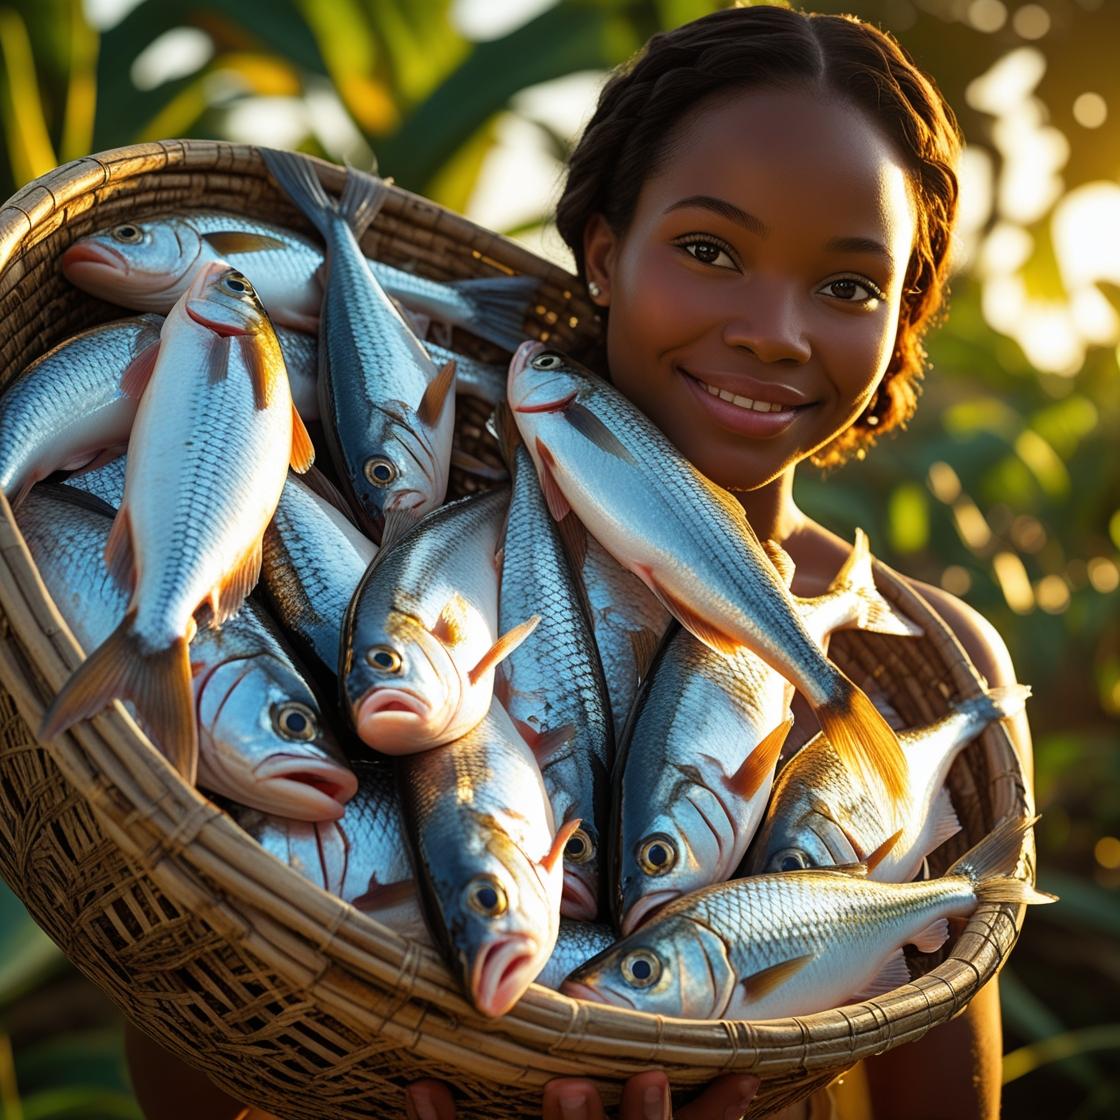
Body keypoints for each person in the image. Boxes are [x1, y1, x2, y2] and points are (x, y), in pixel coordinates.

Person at [126, 5, 1033, 1118]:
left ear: (904, 317)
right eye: (709, 250)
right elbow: (183, 1011)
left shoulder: (943, 668)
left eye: (847, 286)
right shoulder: (421, 561)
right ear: (603, 253)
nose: (773, 329)